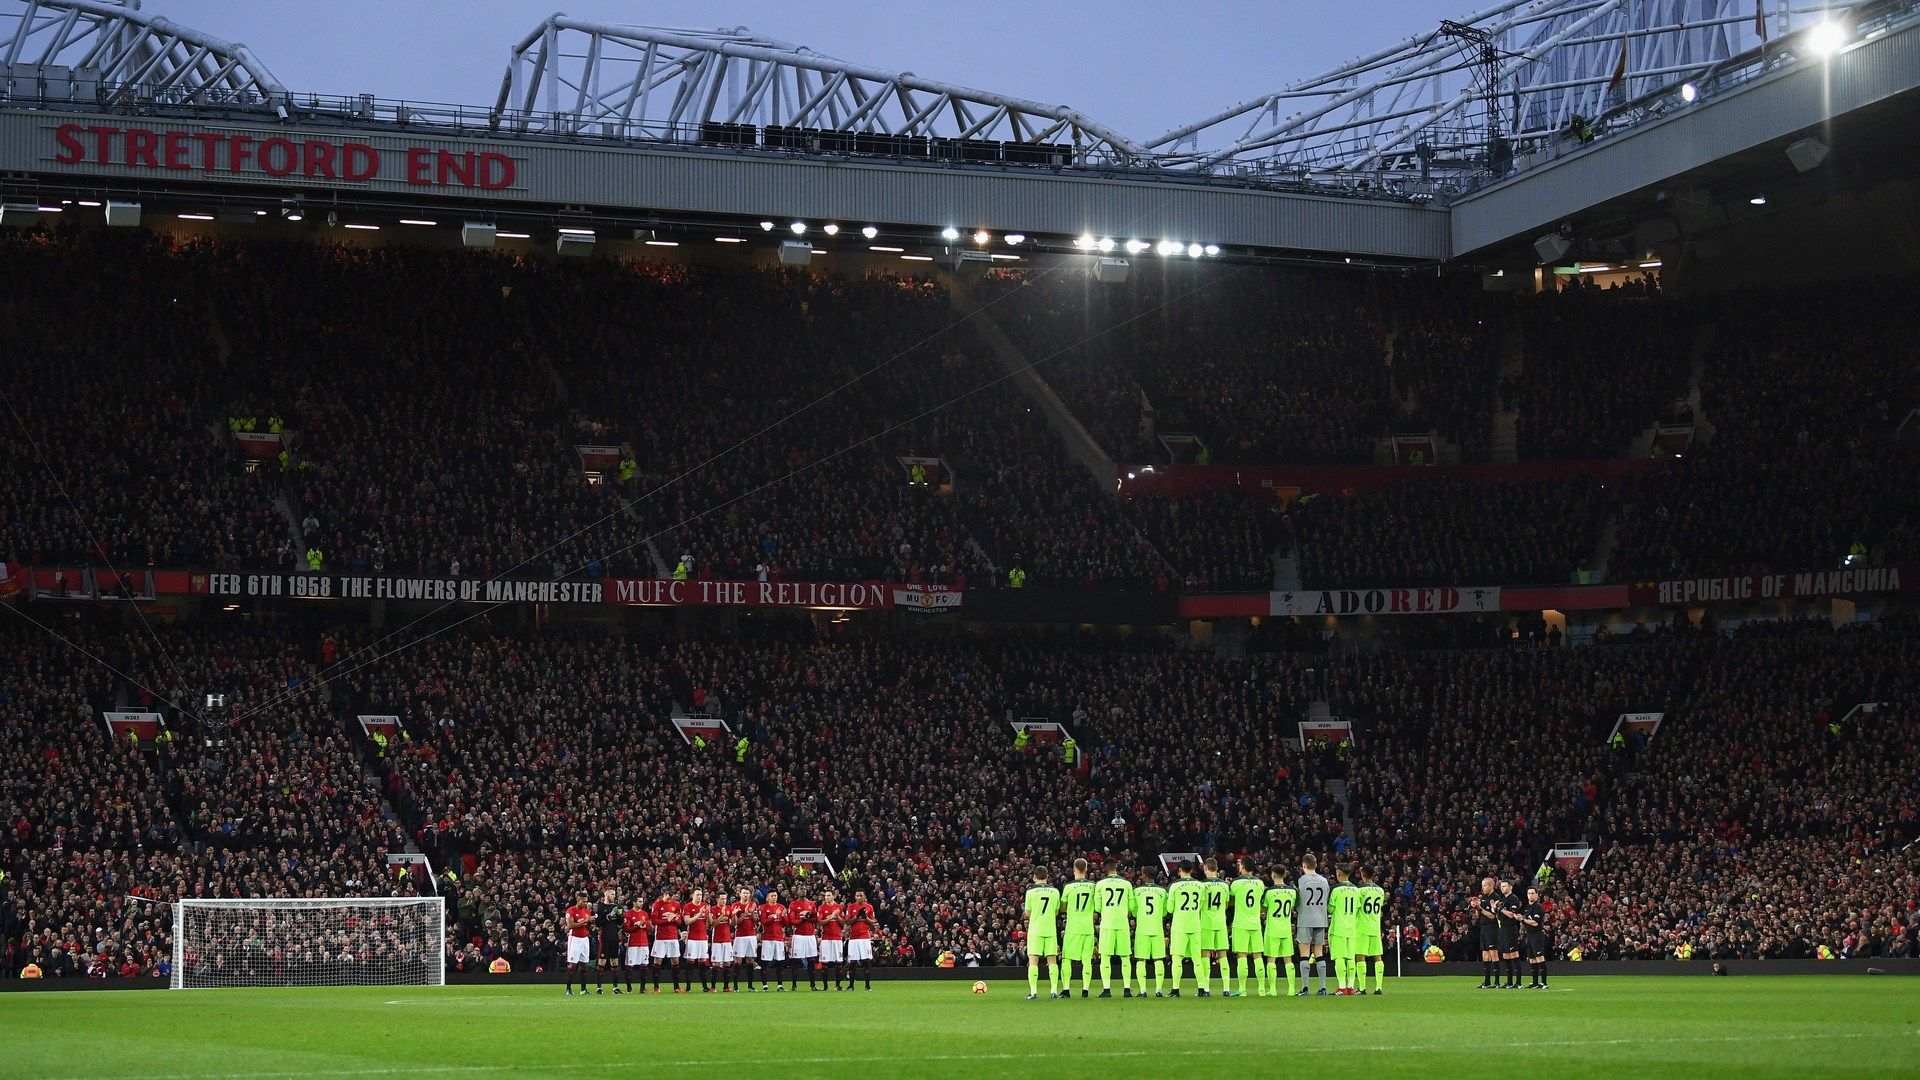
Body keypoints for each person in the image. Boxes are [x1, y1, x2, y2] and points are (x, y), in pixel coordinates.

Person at [1166, 860, 1205, 998]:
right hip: (1195, 925)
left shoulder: (1175, 886)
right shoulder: (1200, 886)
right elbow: (1200, 906)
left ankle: (1176, 990)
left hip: (1179, 926)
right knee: (1197, 959)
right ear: (1192, 870)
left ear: (1179, 871)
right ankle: (1202, 989)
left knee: (1177, 959)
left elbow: (1169, 909)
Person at [1094, 862, 1133, 997]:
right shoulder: (1127, 884)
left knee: (1105, 957)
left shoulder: (1100, 884)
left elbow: (1098, 908)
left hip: (1107, 924)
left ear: (1105, 870)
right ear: (1116, 869)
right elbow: (1131, 907)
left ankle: (1106, 990)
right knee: (1125, 957)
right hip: (1122, 923)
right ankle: (1127, 989)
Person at [1060, 858, 1098, 998]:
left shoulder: (1069, 887)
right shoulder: (1093, 886)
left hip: (1073, 928)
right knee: (1086, 960)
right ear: (1086, 869)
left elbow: (1062, 907)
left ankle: (1066, 989)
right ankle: (1085, 990)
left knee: (1067, 959)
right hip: (1087, 927)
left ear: (1074, 869)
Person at [1228, 857, 1265, 998]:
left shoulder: (1236, 883)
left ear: (1243, 867)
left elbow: (1230, 901)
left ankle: (1242, 989)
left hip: (1241, 924)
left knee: (1241, 956)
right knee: (1257, 956)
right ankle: (1261, 989)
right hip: (1255, 923)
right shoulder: (1260, 883)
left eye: (1239, 865)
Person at [1024, 866, 1062, 1000]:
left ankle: (1033, 992)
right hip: (1050, 929)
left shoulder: (1030, 892)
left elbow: (1027, 913)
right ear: (1047, 877)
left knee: (1033, 961)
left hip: (1035, 929)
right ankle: (1053, 991)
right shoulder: (1055, 891)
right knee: (1052, 961)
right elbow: (1057, 911)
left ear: (1034, 877)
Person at [1130, 866, 1168, 998]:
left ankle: (1143, 990)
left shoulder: (1137, 891)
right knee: (1158, 960)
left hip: (1142, 930)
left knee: (1141, 960)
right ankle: (1158, 990)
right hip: (1157, 929)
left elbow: (1133, 912)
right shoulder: (1162, 891)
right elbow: (1165, 911)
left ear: (1144, 875)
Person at [1295, 853, 1330, 996]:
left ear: (1304, 866)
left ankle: (1305, 988)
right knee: (1319, 953)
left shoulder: (1301, 880)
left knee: (1304, 954)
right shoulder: (1324, 881)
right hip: (1321, 919)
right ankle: (1322, 988)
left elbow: (1298, 902)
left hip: (1305, 919)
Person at [1262, 865, 1298, 997]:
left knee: (1271, 960)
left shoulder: (1269, 892)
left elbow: (1264, 908)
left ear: (1273, 875)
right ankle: (1292, 989)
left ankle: (1273, 990)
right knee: (1288, 959)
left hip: (1273, 929)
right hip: (1286, 929)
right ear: (1285, 874)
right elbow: (1293, 907)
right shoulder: (1292, 891)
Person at [1199, 857, 1230, 997]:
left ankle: (1205, 988)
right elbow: (1226, 904)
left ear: (1205, 868)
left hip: (1206, 923)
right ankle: (1226, 988)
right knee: (1222, 955)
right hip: (1220, 922)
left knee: (1205, 955)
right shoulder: (1224, 885)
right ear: (1216, 868)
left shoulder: (1201, 885)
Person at [1327, 865, 1359, 995]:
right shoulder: (1356, 890)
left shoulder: (1336, 889)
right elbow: (1357, 909)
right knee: (1351, 958)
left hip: (1338, 928)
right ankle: (1350, 987)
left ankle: (1341, 987)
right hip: (1352, 928)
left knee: (1339, 957)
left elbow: (1330, 909)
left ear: (1339, 874)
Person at [1356, 865, 1386, 996]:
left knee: (1360, 957)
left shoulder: (1359, 890)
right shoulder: (1380, 890)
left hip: (1362, 927)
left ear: (1363, 875)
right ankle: (1378, 987)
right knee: (1377, 957)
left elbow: (1356, 907)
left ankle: (1362, 988)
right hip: (1375, 927)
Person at [649, 888, 683, 994]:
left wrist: (674, 919)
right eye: (669, 897)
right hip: (661, 937)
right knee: (658, 961)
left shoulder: (676, 905)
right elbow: (654, 920)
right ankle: (656, 987)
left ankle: (676, 987)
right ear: (665, 894)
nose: (670, 900)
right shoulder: (657, 904)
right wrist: (666, 920)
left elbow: (680, 922)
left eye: (672, 898)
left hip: (673, 936)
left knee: (675, 961)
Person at [562, 891, 593, 996]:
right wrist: (584, 921)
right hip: (574, 939)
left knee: (584, 966)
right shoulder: (571, 910)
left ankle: (583, 990)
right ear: (578, 900)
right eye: (583, 901)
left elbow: (588, 925)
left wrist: (591, 922)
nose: (585, 903)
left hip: (585, 939)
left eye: (586, 901)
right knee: (572, 966)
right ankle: (568, 989)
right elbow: (570, 925)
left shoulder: (587, 911)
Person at [595, 887, 625, 995]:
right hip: (605, 938)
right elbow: (598, 923)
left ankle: (615, 987)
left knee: (615, 962)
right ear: (606, 894)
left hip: (614, 938)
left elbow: (620, 923)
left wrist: (620, 915)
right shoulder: (600, 907)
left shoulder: (616, 907)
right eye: (612, 894)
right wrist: (608, 917)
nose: (614, 896)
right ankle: (599, 987)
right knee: (602, 962)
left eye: (614, 894)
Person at [845, 890, 877, 990]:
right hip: (853, 938)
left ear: (864, 896)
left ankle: (867, 986)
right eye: (857, 895)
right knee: (852, 962)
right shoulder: (851, 907)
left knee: (866, 962)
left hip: (864, 938)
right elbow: (847, 922)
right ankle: (851, 985)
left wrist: (865, 917)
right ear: (855, 896)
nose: (859, 897)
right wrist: (856, 916)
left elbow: (873, 923)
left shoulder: (869, 907)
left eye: (861, 895)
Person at [757, 890, 788, 991]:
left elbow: (786, 923)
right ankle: (765, 985)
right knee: (765, 963)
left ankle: (780, 985)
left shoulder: (782, 907)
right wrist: (775, 916)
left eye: (775, 895)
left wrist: (782, 916)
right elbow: (763, 922)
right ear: (768, 897)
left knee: (780, 963)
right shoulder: (763, 908)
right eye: (772, 896)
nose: (774, 897)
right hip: (767, 939)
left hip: (779, 938)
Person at [730, 886, 760, 991]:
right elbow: (734, 923)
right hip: (740, 936)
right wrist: (744, 915)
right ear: (740, 894)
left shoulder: (753, 905)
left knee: (750, 960)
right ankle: (735, 986)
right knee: (738, 960)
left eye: (747, 893)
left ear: (750, 894)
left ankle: (750, 986)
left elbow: (756, 921)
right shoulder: (735, 905)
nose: (746, 895)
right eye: (744, 893)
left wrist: (751, 914)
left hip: (751, 936)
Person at [1473, 876, 1501, 989]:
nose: (1483, 888)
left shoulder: (1496, 897)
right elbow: (1479, 915)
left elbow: (1492, 916)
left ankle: (1497, 982)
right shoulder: (1483, 898)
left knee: (1493, 954)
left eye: (1485, 885)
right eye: (1482, 885)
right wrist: (1475, 907)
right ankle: (1487, 981)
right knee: (1485, 955)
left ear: (1490, 885)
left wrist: (1480, 908)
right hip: (1483, 928)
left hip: (1492, 928)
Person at [789, 889, 819, 991]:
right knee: (796, 960)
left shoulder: (812, 904)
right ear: (797, 892)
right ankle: (794, 985)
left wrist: (809, 917)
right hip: (799, 936)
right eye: (801, 890)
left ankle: (813, 985)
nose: (803, 891)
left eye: (804, 889)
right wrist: (802, 918)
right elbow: (792, 921)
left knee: (811, 960)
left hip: (810, 935)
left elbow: (815, 920)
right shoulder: (793, 904)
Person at [817, 887, 846, 991]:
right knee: (824, 963)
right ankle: (825, 987)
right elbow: (819, 922)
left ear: (834, 896)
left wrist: (837, 916)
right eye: (825, 895)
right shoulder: (821, 908)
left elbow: (843, 924)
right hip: (826, 938)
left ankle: (838, 985)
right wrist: (831, 916)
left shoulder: (839, 907)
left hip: (837, 938)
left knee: (839, 962)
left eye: (829, 895)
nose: (827, 897)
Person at [682, 889, 711, 993]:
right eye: (697, 894)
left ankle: (705, 987)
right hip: (692, 939)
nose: (699, 896)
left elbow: (710, 923)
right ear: (692, 895)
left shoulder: (705, 905)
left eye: (701, 894)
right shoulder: (688, 906)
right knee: (690, 963)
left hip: (703, 939)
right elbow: (687, 921)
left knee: (703, 963)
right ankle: (688, 987)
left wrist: (708, 914)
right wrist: (699, 914)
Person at [1521, 885, 1550, 989]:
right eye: (1529, 893)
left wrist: (1523, 920)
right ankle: (1535, 982)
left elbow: (1535, 923)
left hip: (1537, 935)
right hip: (1529, 935)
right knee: (1532, 959)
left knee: (1539, 957)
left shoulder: (1538, 907)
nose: (1530, 895)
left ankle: (1544, 983)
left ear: (1537, 895)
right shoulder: (1527, 907)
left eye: (1533, 893)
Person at [621, 895, 651, 994]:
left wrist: (645, 925)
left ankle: (643, 988)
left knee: (644, 966)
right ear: (634, 902)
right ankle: (629, 988)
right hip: (633, 943)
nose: (641, 903)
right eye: (639, 901)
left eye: (642, 901)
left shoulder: (645, 914)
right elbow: (626, 929)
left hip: (644, 943)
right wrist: (637, 926)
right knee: (630, 966)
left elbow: (649, 929)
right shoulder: (628, 914)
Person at [1497, 879, 1523, 988]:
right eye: (1501, 886)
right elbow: (1499, 915)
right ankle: (1509, 982)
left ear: (1510, 887)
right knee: (1505, 955)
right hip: (1503, 928)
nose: (1502, 888)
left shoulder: (1513, 899)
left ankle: (1518, 982)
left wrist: (1501, 909)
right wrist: (1496, 909)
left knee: (1513, 954)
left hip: (1511, 929)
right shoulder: (1502, 899)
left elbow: (1512, 915)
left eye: (1504, 886)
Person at [709, 892, 735, 992]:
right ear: (717, 899)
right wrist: (721, 917)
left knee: (727, 963)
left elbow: (733, 923)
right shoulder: (714, 909)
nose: (724, 901)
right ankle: (713, 987)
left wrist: (733, 916)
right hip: (717, 940)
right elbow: (713, 924)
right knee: (715, 964)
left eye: (725, 898)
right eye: (722, 899)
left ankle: (726, 987)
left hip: (727, 940)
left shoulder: (729, 908)